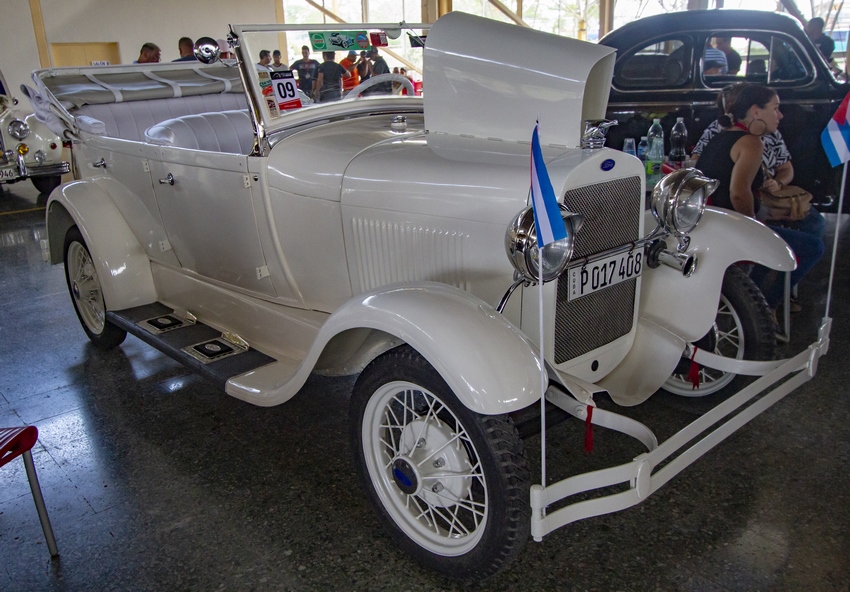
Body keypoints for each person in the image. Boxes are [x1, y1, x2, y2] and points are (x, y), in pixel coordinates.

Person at [695, 84, 824, 313]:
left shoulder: (722, 136)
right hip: (731, 229)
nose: (780, 115)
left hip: (712, 225)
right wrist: (755, 227)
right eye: (775, 108)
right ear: (756, 111)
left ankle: (751, 301)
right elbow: (738, 192)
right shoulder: (751, 142)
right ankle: (765, 308)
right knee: (813, 246)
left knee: (779, 245)